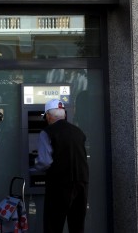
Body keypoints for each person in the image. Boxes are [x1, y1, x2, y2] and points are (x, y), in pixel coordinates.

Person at [31, 99, 89, 233]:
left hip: (59, 183)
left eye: (45, 116)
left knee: (53, 225)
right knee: (77, 226)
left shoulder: (47, 132)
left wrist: (32, 169)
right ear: (64, 115)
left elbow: (44, 162)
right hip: (81, 182)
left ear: (49, 116)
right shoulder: (78, 132)